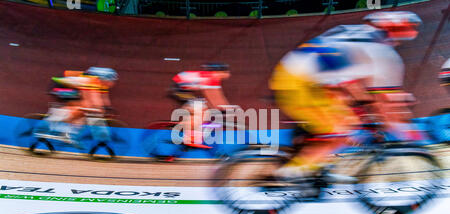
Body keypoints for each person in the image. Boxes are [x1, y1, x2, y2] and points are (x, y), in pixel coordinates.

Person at [268, 11, 422, 178]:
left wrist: (362, 109)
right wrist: (408, 132)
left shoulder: (351, 32)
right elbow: (384, 102)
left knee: (349, 118)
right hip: (301, 83)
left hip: (297, 77)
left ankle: (317, 163)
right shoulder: (384, 53)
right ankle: (287, 175)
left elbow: (350, 85)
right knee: (339, 135)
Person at [40, 67, 118, 145]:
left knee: (85, 111)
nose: (113, 83)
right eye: (112, 81)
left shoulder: (103, 84)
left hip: (72, 88)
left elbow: (104, 99)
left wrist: (106, 108)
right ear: (105, 79)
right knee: (84, 107)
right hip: (60, 86)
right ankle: (54, 119)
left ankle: (66, 131)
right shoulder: (91, 80)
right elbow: (91, 99)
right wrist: (98, 109)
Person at [171, 63, 236, 147]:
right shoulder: (210, 78)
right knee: (199, 110)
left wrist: (226, 106)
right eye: (226, 72)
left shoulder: (214, 79)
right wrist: (222, 108)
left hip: (185, 89)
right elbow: (210, 96)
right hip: (179, 89)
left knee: (204, 110)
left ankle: (190, 130)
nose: (228, 74)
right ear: (219, 72)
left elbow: (218, 96)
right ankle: (188, 137)